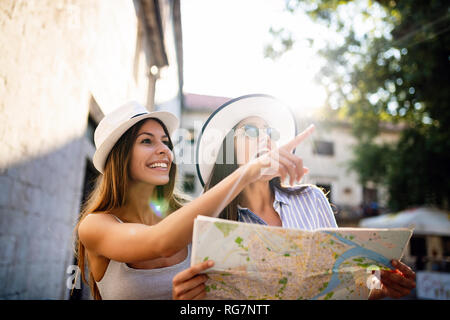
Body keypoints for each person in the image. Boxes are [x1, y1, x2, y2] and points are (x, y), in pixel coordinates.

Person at [172, 94, 416, 300]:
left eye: (271, 132)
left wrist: (378, 288)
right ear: (227, 148)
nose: (266, 138)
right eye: (250, 131)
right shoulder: (206, 221)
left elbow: (342, 287)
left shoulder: (312, 199)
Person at [74, 100, 311, 299]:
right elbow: (160, 242)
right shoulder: (95, 226)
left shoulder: (192, 216)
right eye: (147, 141)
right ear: (119, 156)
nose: (164, 150)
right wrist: (247, 172)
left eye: (165, 142)